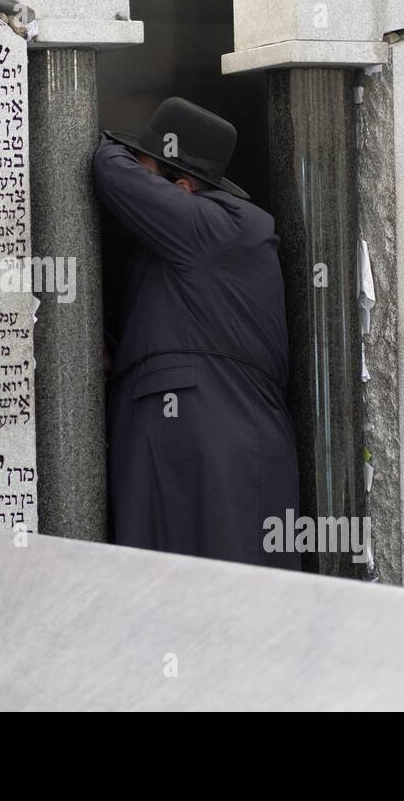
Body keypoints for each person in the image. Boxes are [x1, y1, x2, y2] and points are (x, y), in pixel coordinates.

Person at [93, 97, 299, 568]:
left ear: (181, 188)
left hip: (207, 437)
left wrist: (109, 144)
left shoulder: (222, 224)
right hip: (187, 437)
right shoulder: (193, 241)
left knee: (232, 603)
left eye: (147, 170)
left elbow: (110, 170)